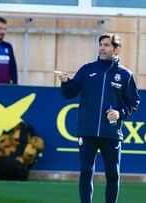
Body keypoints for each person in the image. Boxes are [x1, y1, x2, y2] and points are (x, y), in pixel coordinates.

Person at [55, 33, 140, 203]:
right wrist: (65, 81)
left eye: (107, 45)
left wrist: (119, 113)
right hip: (87, 131)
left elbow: (133, 101)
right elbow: (69, 93)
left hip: (111, 132)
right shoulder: (87, 69)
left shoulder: (125, 75)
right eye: (101, 44)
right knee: (86, 171)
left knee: (113, 174)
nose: (102, 48)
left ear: (117, 50)